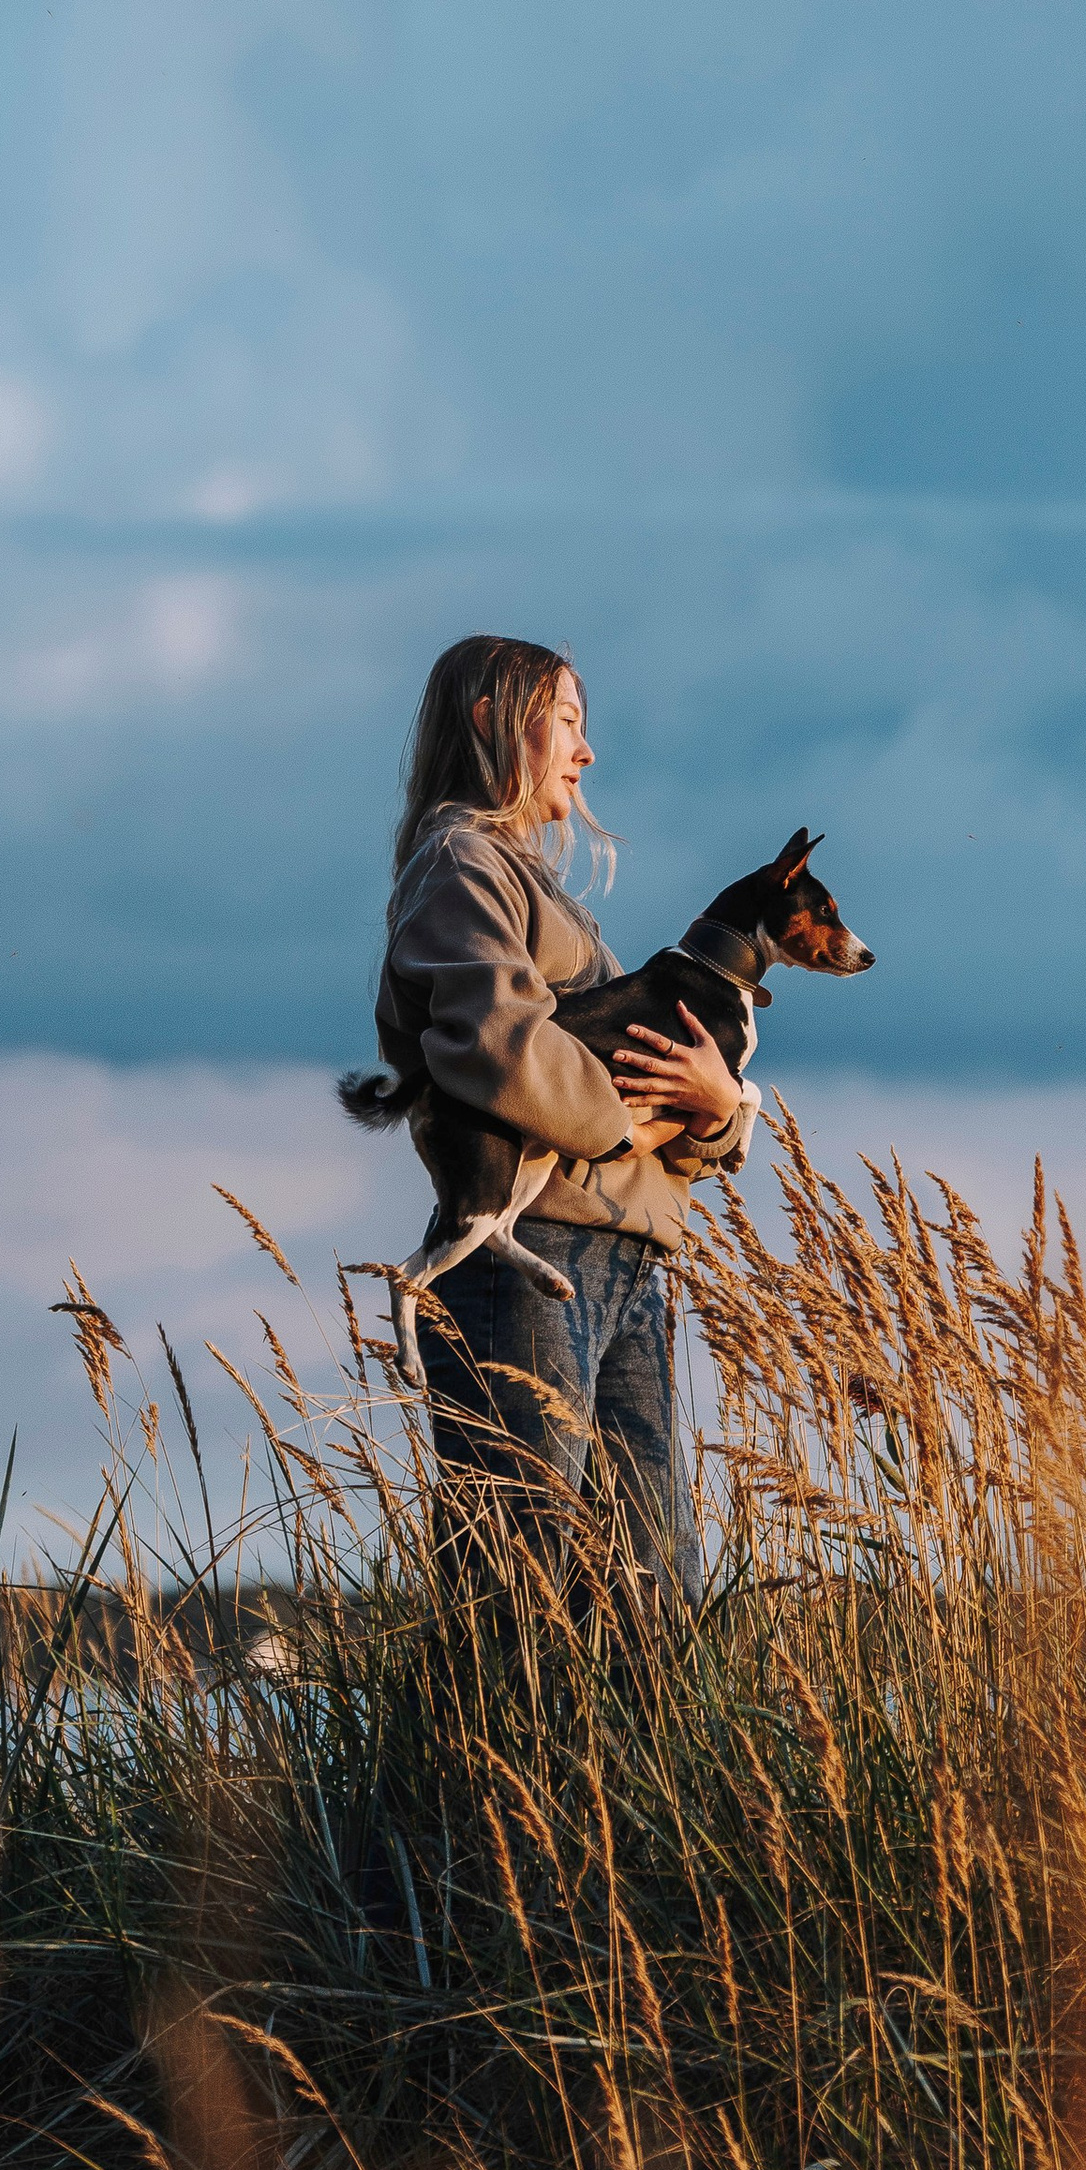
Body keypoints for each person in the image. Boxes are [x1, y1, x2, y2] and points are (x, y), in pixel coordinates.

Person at [361, 632, 756, 1597]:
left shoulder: (525, 880)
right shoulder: (462, 861)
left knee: (650, 1603)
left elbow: (635, 1074)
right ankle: (488, 1755)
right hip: (525, 1258)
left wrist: (716, 1112)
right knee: (523, 1594)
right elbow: (496, 1035)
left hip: (620, 1257)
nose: (587, 752)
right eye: (569, 721)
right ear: (497, 720)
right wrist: (628, 1132)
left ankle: (631, 1758)